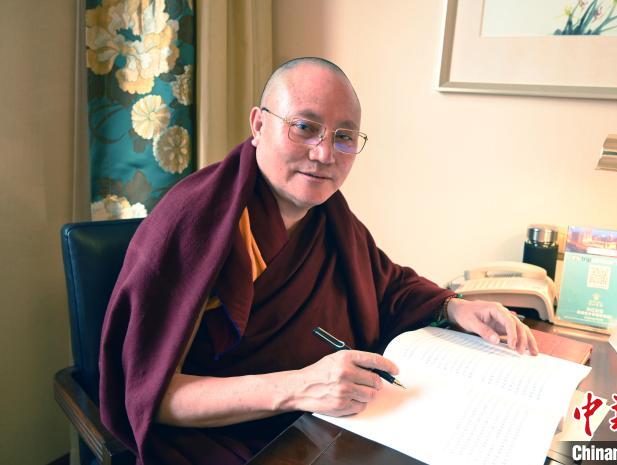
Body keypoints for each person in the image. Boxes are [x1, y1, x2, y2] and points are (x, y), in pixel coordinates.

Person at [99, 57, 539, 465]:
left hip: (332, 425)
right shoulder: (197, 222)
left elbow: (387, 285)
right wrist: (299, 387)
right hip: (226, 441)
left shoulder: (329, 217)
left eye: (343, 137)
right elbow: (153, 396)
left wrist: (456, 306)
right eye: (305, 127)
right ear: (258, 125)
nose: (324, 154)